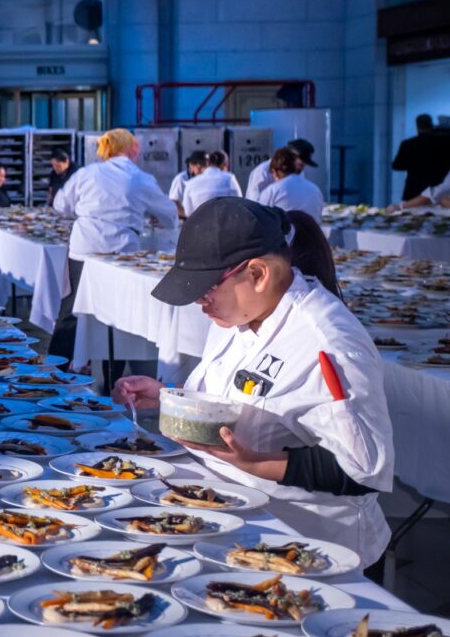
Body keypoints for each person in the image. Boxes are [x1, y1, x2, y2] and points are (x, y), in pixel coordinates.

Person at [113, 197, 393, 571]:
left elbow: (362, 472)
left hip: (311, 548)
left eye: (206, 288)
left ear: (258, 274)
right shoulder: (242, 313)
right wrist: (168, 398)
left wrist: (257, 463)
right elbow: (235, 397)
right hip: (232, 522)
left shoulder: (329, 344)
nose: (200, 302)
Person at [51, 128, 178, 363]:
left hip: (84, 246)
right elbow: (170, 215)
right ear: (131, 149)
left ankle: (55, 371)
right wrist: (150, 217)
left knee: (71, 308)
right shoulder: (140, 178)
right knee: (116, 314)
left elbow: (60, 205)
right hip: (120, 251)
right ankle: (112, 376)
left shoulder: (87, 173)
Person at [391, 114, 450, 201]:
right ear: (431, 125)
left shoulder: (408, 144)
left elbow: (397, 165)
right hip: (437, 191)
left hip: (414, 190)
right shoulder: (444, 143)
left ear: (417, 126)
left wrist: (414, 163)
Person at [257, 147, 325, 222]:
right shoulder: (315, 189)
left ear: (275, 171)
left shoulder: (271, 191)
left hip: (285, 233)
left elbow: (260, 220)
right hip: (312, 232)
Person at [246, 138, 317, 200]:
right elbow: (254, 203)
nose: (302, 169)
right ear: (290, 158)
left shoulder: (297, 172)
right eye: (300, 165)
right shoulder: (261, 172)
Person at [182, 150, 242, 217]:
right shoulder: (229, 178)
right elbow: (239, 203)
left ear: (206, 163)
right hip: (225, 223)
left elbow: (188, 212)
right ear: (223, 164)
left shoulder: (191, 183)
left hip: (200, 224)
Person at [169, 151, 207, 216]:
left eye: (205, 167)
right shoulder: (181, 179)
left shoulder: (205, 178)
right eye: (199, 167)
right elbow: (174, 202)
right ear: (191, 165)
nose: (203, 170)